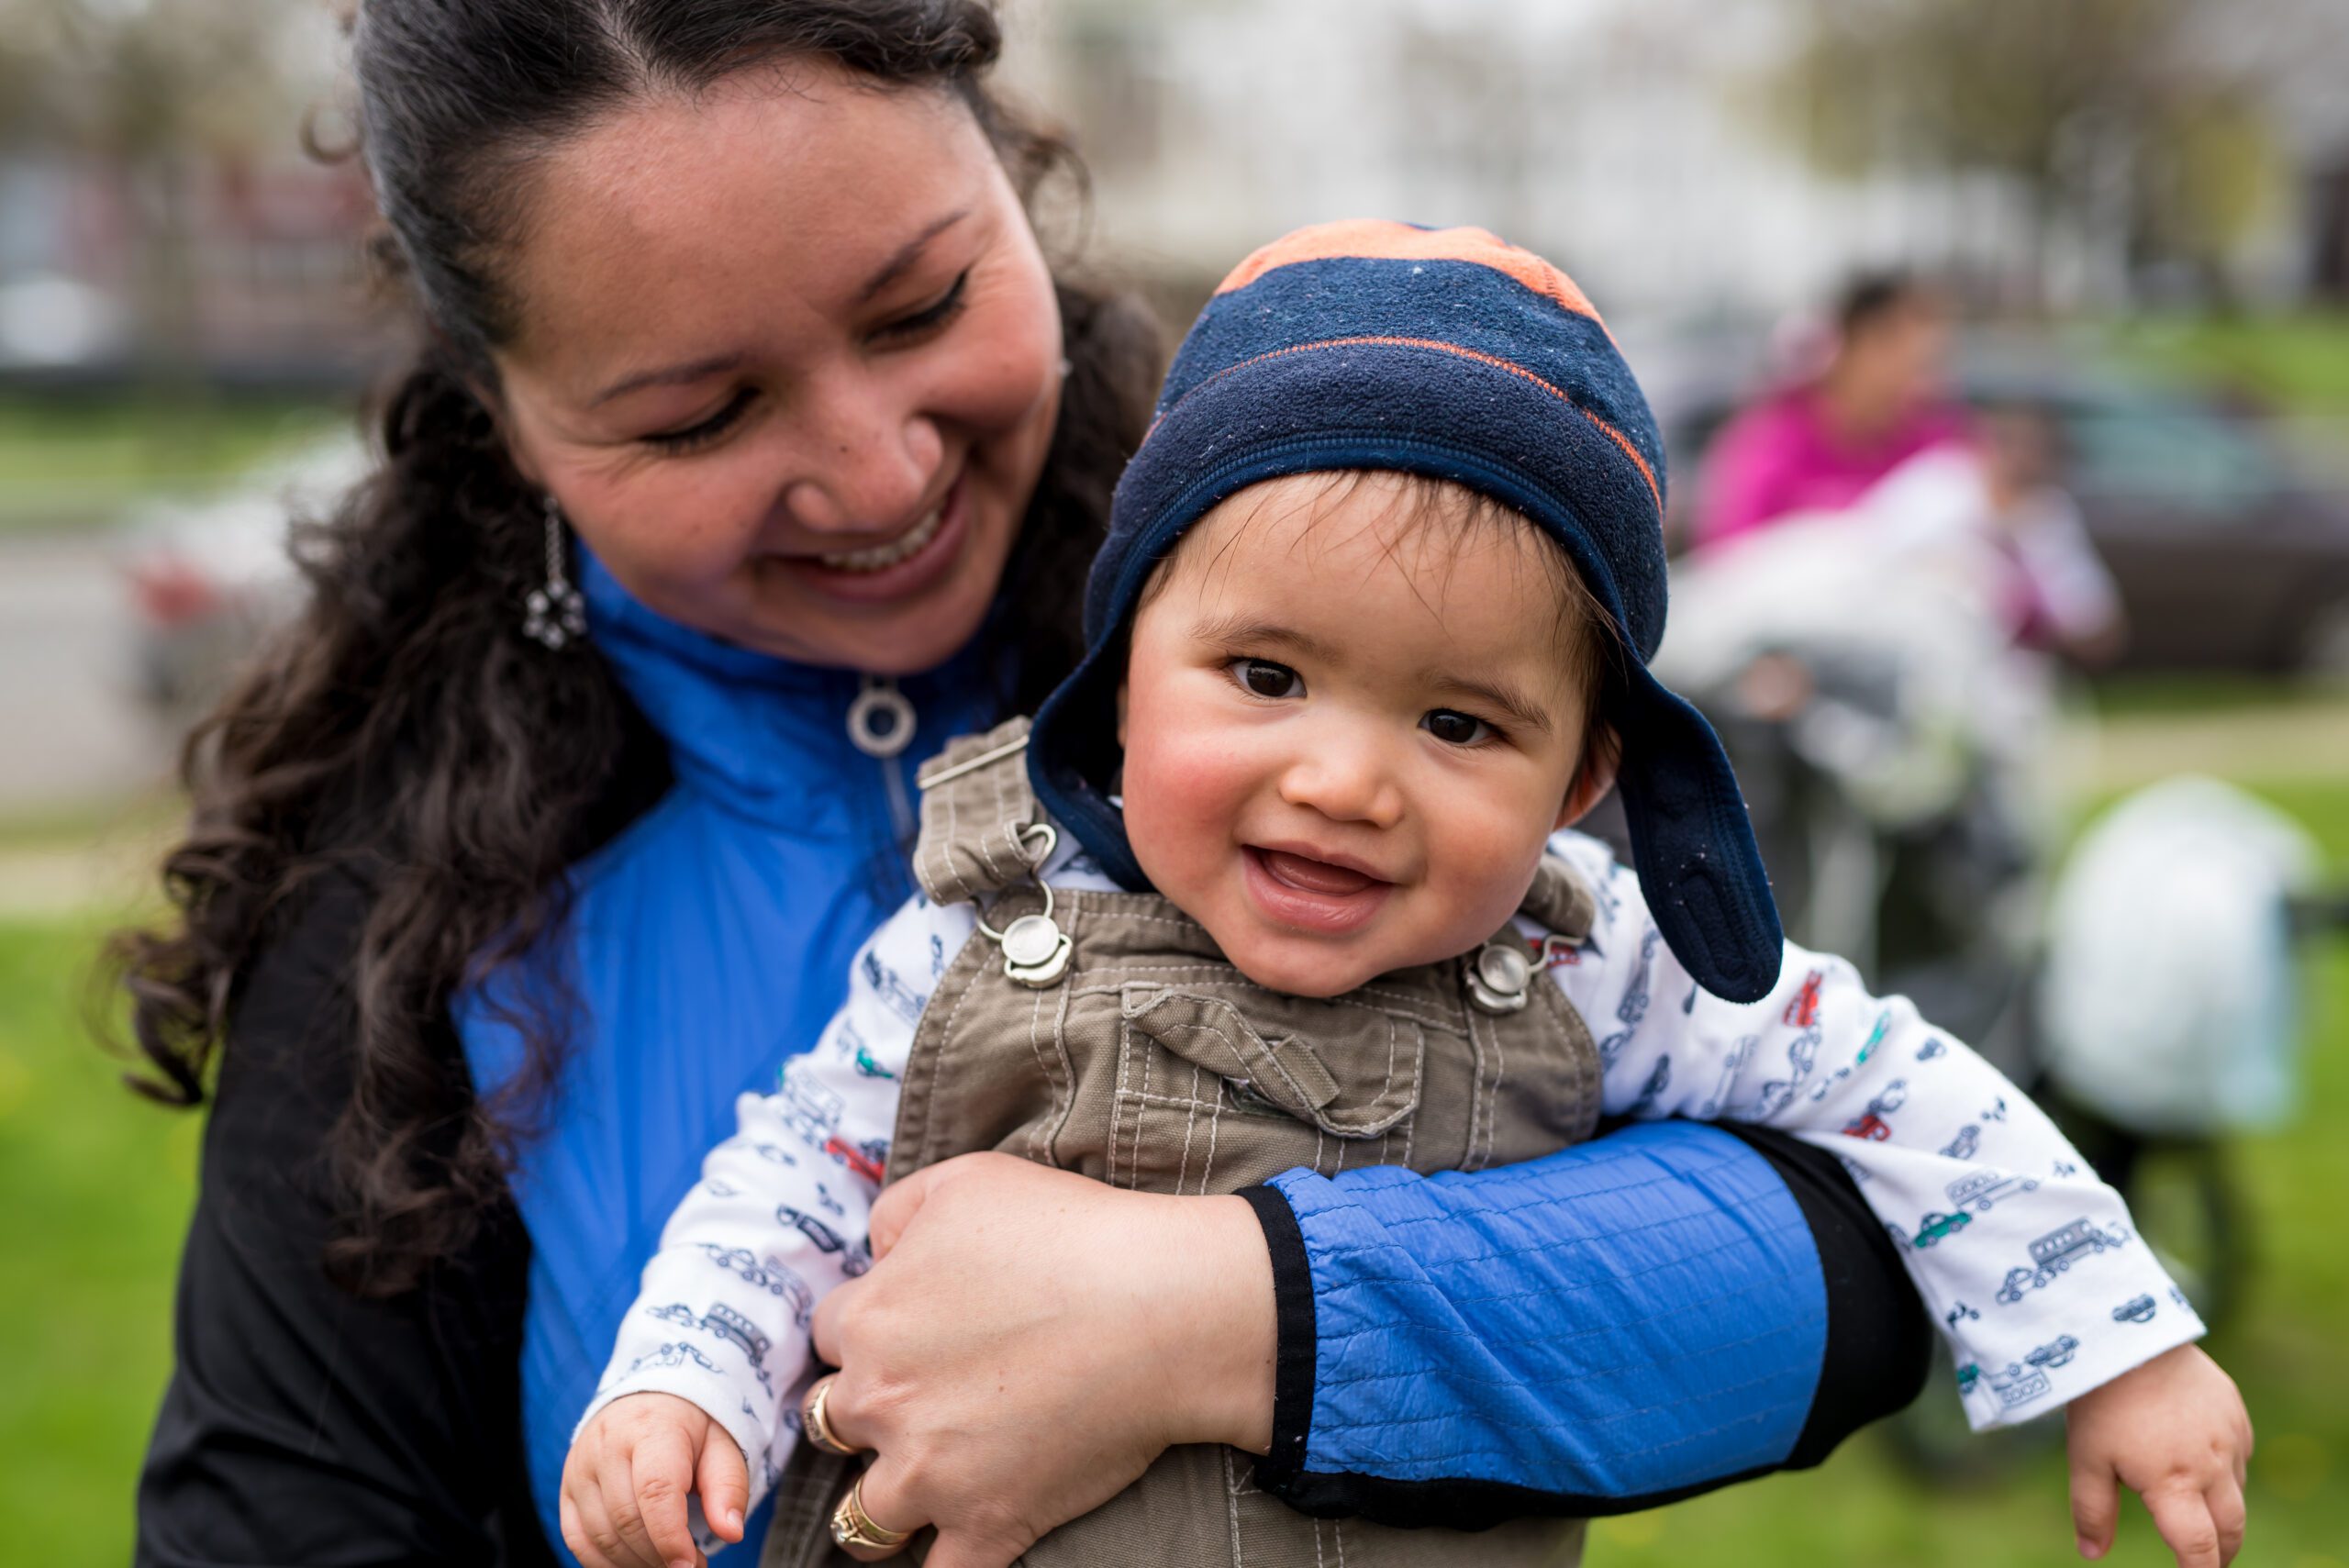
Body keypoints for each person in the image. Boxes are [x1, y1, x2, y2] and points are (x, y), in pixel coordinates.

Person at [123, 8, 1960, 1567]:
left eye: (921, 304)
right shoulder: (406, 923)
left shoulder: (1359, 622)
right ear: (501, 407)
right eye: (696, 416)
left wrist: (1220, 1316)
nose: (869, 469)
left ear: (1014, 171)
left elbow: (1863, 1242)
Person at [561, 225, 2249, 1568]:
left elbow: (1891, 1081)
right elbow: (799, 1170)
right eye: (1265, 672)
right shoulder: (981, 922)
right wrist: (680, 1372)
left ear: (1581, 779)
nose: (1348, 779)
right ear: (1127, 672)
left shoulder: (1591, 959)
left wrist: (2119, 1334)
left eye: (1457, 722)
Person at [1694, 272, 1969, 550]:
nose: (1933, 379)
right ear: (1862, 342)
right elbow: (1729, 554)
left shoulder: (1936, 445)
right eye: (1917, 360)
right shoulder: (1769, 440)